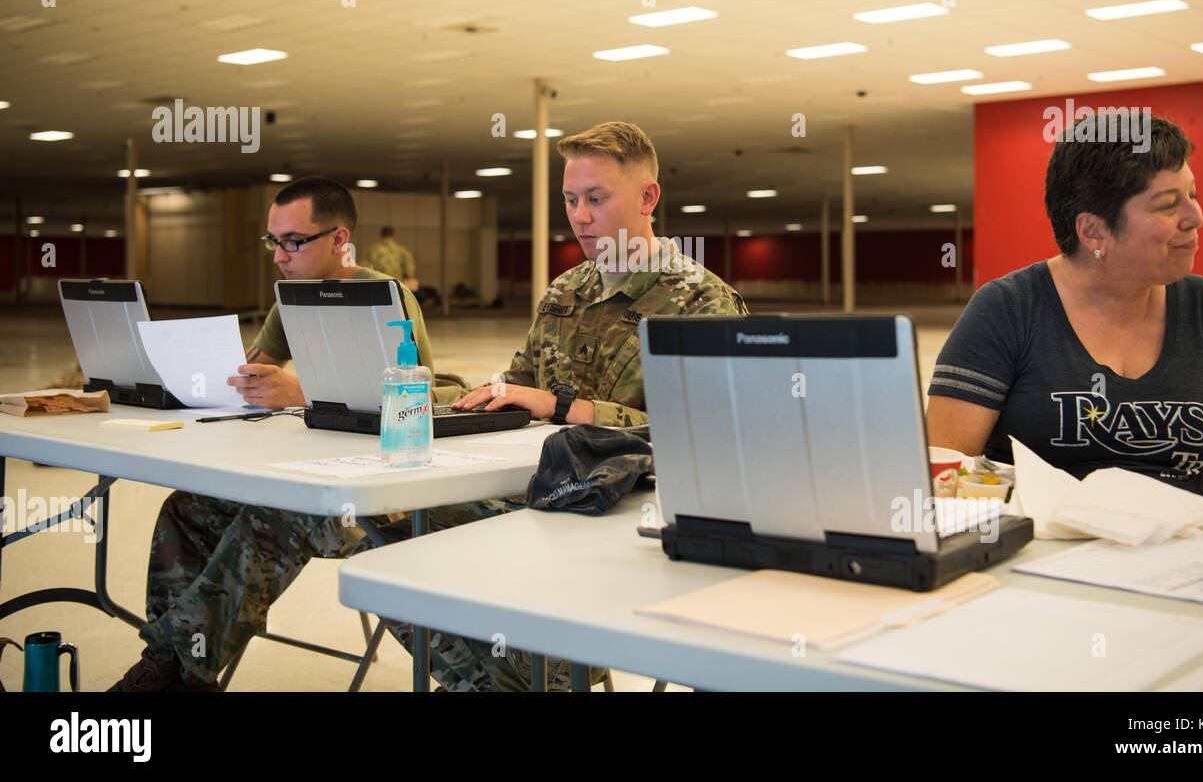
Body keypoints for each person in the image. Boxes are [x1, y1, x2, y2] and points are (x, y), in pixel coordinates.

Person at [367, 120, 748, 691]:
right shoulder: (565, 290)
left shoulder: (702, 303)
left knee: (415, 550)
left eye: (597, 198)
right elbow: (518, 388)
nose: (580, 216)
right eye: (571, 200)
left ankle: (547, 665)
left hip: (622, 522)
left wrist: (564, 405)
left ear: (648, 198)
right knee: (383, 525)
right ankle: (515, 675)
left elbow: (714, 439)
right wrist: (436, 399)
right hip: (536, 497)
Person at [110, 177, 433, 691]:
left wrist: (301, 391)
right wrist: (190, 378)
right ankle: (185, 668)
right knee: (186, 507)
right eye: (273, 241)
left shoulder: (385, 299)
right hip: (300, 468)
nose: (279, 256)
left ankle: (171, 666)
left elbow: (424, 399)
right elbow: (252, 372)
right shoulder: (292, 300)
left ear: (338, 239)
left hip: (368, 489)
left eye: (293, 241)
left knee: (269, 517)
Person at [926, 114, 1203, 525]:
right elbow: (943, 472)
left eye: (1192, 195)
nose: (1195, 217)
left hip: (1189, 560)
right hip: (1043, 563)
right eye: (1168, 205)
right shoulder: (1008, 309)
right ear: (1093, 232)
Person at [361, 225, 424, 299]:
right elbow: (409, 269)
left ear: (381, 235)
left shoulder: (372, 250)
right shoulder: (401, 250)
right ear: (392, 235)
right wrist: (408, 277)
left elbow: (363, 267)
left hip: (377, 286)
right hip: (396, 285)